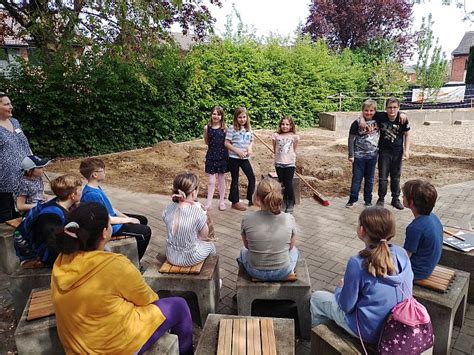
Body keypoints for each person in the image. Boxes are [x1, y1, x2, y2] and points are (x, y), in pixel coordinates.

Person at [51, 202, 193, 354]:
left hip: (77, 346)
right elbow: (148, 299)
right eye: (109, 222)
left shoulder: (62, 260)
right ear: (105, 232)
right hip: (112, 347)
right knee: (179, 305)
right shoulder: (114, 265)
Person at [310, 207, 413, 344]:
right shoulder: (401, 253)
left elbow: (346, 306)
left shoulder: (357, 262)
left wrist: (340, 288)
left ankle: (317, 342)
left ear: (362, 230)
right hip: (399, 324)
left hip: (369, 332)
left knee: (317, 298)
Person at [79, 158, 151, 260]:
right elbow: (106, 219)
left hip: (110, 218)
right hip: (109, 226)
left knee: (142, 219)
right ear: (95, 174)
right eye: (103, 170)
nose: (105, 172)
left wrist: (126, 217)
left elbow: (109, 207)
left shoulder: (96, 188)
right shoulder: (92, 194)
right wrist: (129, 220)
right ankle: (134, 262)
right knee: (145, 231)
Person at [238, 178, 298, 281]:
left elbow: (247, 246)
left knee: (242, 251)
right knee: (295, 251)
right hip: (283, 271)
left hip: (255, 272)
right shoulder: (289, 218)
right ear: (280, 196)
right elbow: (290, 247)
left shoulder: (247, 219)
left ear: (257, 197)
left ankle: (245, 282)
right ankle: (289, 274)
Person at [361, 97, 410, 210]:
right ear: (386, 108)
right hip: (384, 152)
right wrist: (362, 120)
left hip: (398, 152)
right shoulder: (381, 116)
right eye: (389, 107)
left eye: (395, 107)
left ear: (398, 108)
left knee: (396, 176)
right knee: (383, 177)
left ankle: (395, 199)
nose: (392, 110)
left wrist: (406, 151)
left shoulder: (402, 119)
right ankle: (381, 199)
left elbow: (407, 135)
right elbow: (366, 111)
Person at [162, 172, 216, 266]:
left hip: (171, 255)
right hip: (190, 257)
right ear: (194, 192)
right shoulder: (198, 212)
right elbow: (204, 237)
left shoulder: (168, 208)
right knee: (211, 246)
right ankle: (213, 278)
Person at [402, 179, 443, 281]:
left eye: (404, 195)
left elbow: (405, 257)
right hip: (428, 266)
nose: (402, 197)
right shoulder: (433, 217)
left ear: (411, 202)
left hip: (417, 272)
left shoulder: (415, 228)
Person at [0, 92, 31, 222]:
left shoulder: (14, 122)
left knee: (21, 212)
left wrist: (34, 161)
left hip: (23, 177)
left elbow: (25, 143)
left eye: (10, 103)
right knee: (5, 213)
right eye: (7, 104)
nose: (11, 106)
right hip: (4, 181)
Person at [346, 99, 380, 208]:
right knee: (356, 179)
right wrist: (351, 154)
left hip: (373, 156)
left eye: (371, 110)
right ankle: (352, 199)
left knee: (370, 179)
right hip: (359, 156)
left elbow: (392, 113)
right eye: (366, 110)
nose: (368, 113)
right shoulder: (356, 123)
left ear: (375, 111)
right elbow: (351, 139)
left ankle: (368, 200)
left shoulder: (378, 120)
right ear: (362, 111)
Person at [225, 107, 256, 211]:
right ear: (235, 118)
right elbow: (226, 143)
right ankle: (235, 202)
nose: (242, 119)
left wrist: (250, 148)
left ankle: (251, 200)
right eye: (239, 117)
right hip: (234, 158)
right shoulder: (232, 128)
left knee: (252, 178)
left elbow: (252, 140)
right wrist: (237, 151)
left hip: (245, 158)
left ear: (247, 117)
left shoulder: (249, 129)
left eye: (244, 117)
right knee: (235, 179)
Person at [272, 116, 300, 213]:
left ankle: (291, 203)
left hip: (289, 163)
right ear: (280, 125)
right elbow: (274, 148)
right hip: (279, 163)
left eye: (287, 124)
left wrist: (290, 156)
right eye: (283, 124)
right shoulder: (276, 135)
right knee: (282, 183)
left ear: (291, 126)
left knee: (288, 183)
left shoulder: (294, 136)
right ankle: (283, 201)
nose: (285, 126)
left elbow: (294, 148)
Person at [203, 106, 228, 211]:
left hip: (222, 156)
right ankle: (209, 203)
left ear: (221, 116)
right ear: (211, 115)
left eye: (218, 114)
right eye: (214, 114)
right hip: (211, 156)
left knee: (221, 179)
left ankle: (222, 202)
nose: (216, 116)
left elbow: (227, 143)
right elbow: (206, 141)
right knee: (211, 181)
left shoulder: (224, 129)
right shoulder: (207, 128)